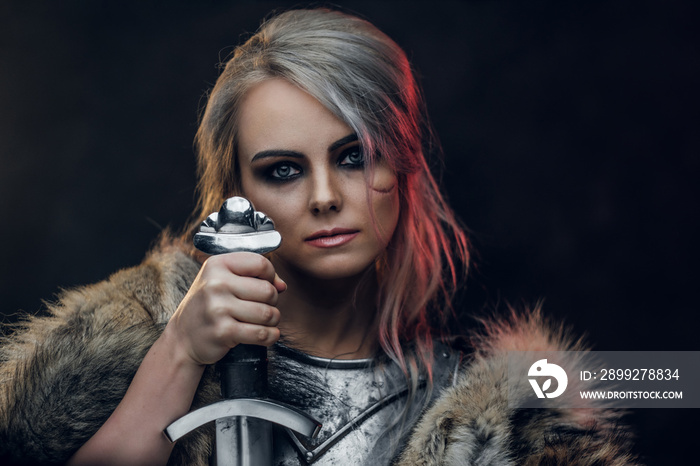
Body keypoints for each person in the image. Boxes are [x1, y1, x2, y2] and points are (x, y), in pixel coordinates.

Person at [0, 7, 636, 466]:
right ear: (237, 194)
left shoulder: (495, 418)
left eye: (355, 156)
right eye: (284, 170)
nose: (325, 195)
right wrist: (179, 352)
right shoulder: (134, 341)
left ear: (403, 163)